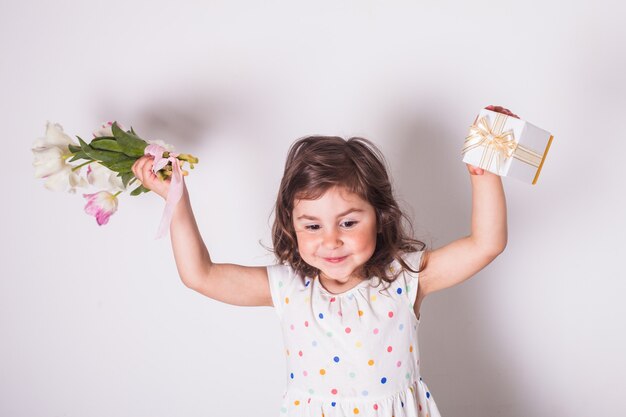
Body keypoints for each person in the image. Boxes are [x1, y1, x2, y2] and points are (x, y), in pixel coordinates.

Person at [131, 105, 512, 417]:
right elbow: (201, 275)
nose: (331, 240)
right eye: (312, 225)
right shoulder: (289, 288)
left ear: (379, 217)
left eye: (348, 222)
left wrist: (485, 174)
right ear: (291, 226)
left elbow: (485, 244)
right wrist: (174, 199)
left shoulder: (404, 279)